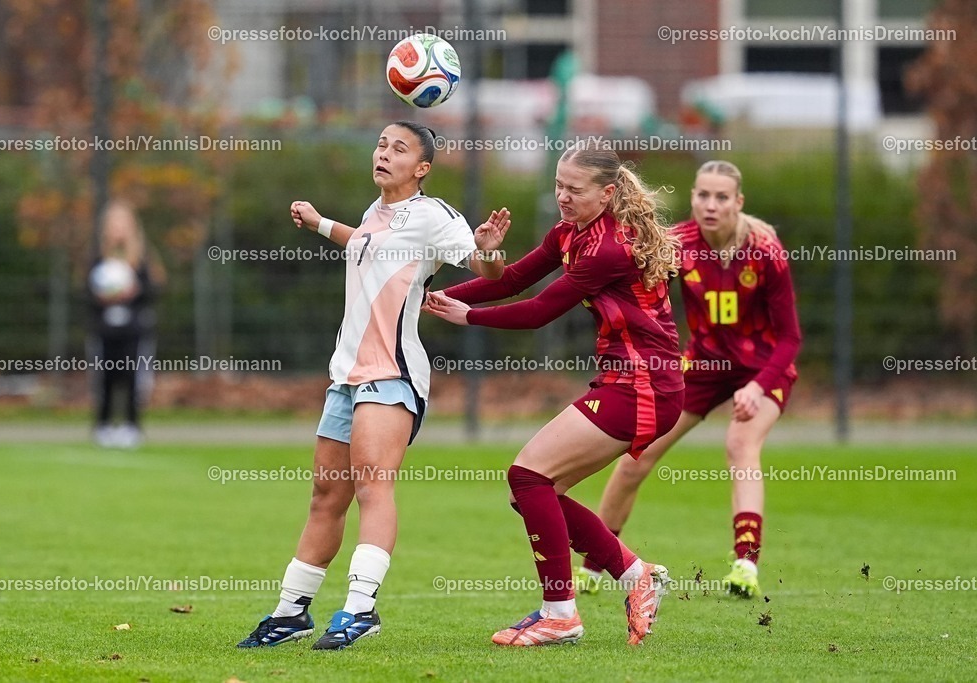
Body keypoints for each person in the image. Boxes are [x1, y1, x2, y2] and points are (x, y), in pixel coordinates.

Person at [237, 121, 510, 651]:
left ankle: (361, 608)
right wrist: (320, 224)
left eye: (398, 148)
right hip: (345, 375)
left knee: (372, 485)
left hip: (392, 373)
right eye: (382, 144)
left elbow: (486, 268)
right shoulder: (374, 211)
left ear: (422, 168)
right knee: (326, 495)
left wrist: (490, 250)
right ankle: (291, 613)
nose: (384, 153)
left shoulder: (433, 215)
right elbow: (366, 244)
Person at [423, 140, 683, 647]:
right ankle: (636, 577)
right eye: (558, 185)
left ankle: (561, 614)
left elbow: (540, 310)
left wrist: (467, 316)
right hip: (628, 382)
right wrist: (430, 297)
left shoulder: (609, 247)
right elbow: (511, 281)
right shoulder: (569, 232)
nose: (562, 196)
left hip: (644, 386)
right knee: (533, 490)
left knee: (528, 477)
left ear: (608, 194)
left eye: (574, 189)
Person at [576, 160, 802, 599]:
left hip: (763, 368)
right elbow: (633, 281)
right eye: (703, 195)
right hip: (702, 365)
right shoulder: (678, 243)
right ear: (693, 197)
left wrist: (758, 387)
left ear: (738, 202)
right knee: (636, 456)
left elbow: (790, 338)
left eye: (721, 197)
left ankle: (745, 565)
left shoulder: (765, 250)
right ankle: (594, 567)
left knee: (740, 444)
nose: (710, 205)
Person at [88, 200, 165, 449]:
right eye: (114, 223)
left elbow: (155, 289)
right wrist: (103, 298)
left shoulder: (143, 259)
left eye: (123, 222)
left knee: (133, 378)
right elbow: (85, 292)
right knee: (105, 378)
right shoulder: (97, 259)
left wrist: (134, 291)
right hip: (105, 331)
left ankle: (132, 426)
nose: (118, 228)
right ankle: (103, 426)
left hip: (134, 331)